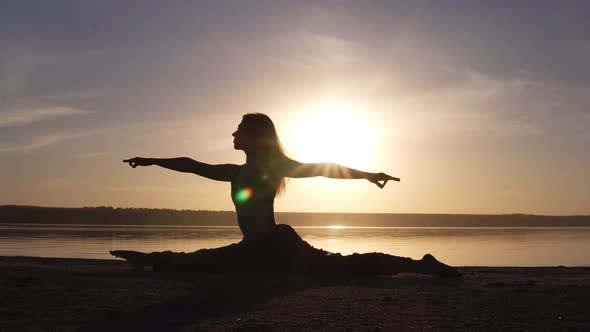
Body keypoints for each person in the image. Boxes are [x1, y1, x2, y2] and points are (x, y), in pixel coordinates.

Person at [111, 113, 460, 277]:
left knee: (344, 266)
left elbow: (324, 166)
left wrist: (367, 175)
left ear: (253, 135)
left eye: (239, 129)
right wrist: (151, 160)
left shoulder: (273, 169)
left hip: (277, 246)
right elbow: (191, 164)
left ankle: (418, 265)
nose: (233, 133)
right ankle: (151, 258)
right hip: (257, 248)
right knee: (207, 261)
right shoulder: (235, 173)